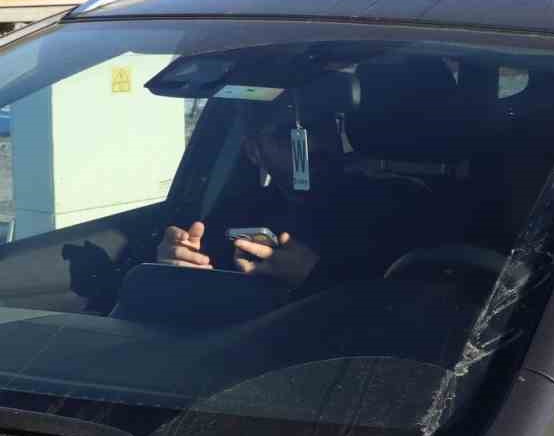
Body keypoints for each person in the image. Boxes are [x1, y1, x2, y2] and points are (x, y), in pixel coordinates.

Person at [158, 84, 433, 293]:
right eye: (285, 136)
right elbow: (200, 281)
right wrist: (179, 264)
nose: (311, 145)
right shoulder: (241, 211)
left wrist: (315, 276)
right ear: (254, 152)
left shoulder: (399, 202)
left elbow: (416, 306)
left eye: (319, 127)